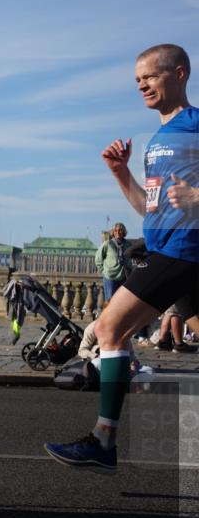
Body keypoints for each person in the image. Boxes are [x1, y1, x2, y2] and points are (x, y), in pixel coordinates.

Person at [46, 43, 199, 473]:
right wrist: (120, 173)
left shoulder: (196, 126)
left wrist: (196, 196)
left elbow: (187, 203)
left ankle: (102, 440)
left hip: (179, 250)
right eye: (137, 80)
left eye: (150, 76)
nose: (142, 86)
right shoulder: (159, 139)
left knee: (110, 329)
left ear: (180, 74)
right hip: (168, 248)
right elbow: (147, 209)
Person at [95, 222, 133, 307]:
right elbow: (98, 258)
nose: (118, 232)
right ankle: (107, 319)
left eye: (120, 230)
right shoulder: (107, 244)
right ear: (113, 232)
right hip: (110, 277)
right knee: (110, 300)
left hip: (124, 276)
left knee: (121, 301)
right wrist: (104, 271)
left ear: (123, 232)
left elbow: (130, 259)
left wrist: (130, 269)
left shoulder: (128, 244)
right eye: (115, 230)